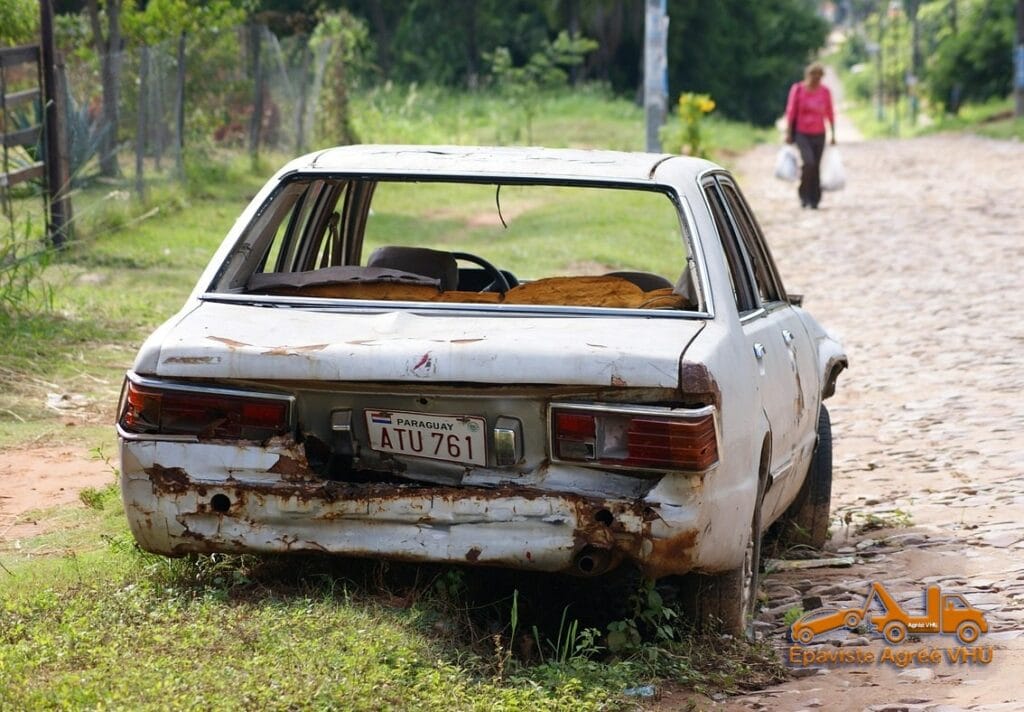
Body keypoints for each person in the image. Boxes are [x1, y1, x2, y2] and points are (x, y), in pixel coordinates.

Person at [785, 62, 836, 209]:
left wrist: (833, 133)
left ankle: (815, 198)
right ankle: (803, 194)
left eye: (819, 76)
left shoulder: (825, 92)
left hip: (819, 133)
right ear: (808, 75)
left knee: (816, 166)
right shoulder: (798, 89)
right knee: (809, 163)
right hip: (802, 133)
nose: (816, 79)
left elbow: (830, 112)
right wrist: (788, 132)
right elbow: (791, 111)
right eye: (814, 75)